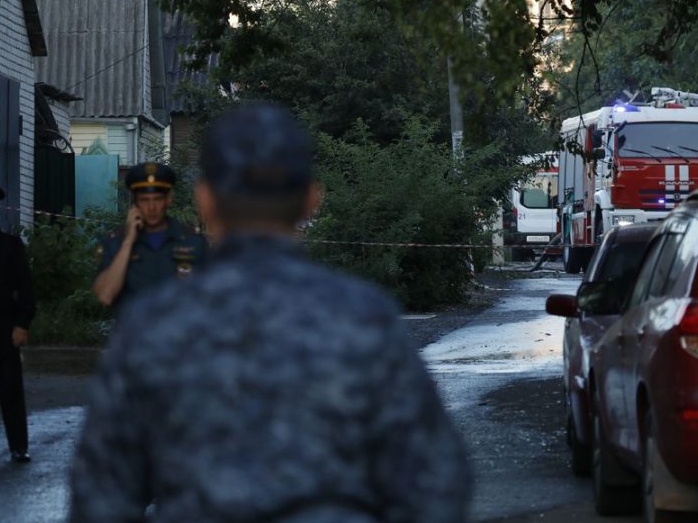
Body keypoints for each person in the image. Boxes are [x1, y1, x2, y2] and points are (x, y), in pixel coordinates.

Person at [69, 103, 472, 523]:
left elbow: (101, 497)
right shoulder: (362, 318)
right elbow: (436, 482)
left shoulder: (151, 326)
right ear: (311, 200)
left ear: (205, 201)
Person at [92, 162, 209, 309]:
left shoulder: (193, 241)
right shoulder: (114, 241)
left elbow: (210, 299)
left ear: (168, 200)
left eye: (157, 199)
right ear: (135, 204)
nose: (151, 207)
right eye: (144, 200)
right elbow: (105, 296)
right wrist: (128, 243)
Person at [0, 183, 35, 463]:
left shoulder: (8, 246)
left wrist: (22, 324)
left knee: (10, 389)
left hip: (2, 330)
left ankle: (18, 445)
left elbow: (26, 289)